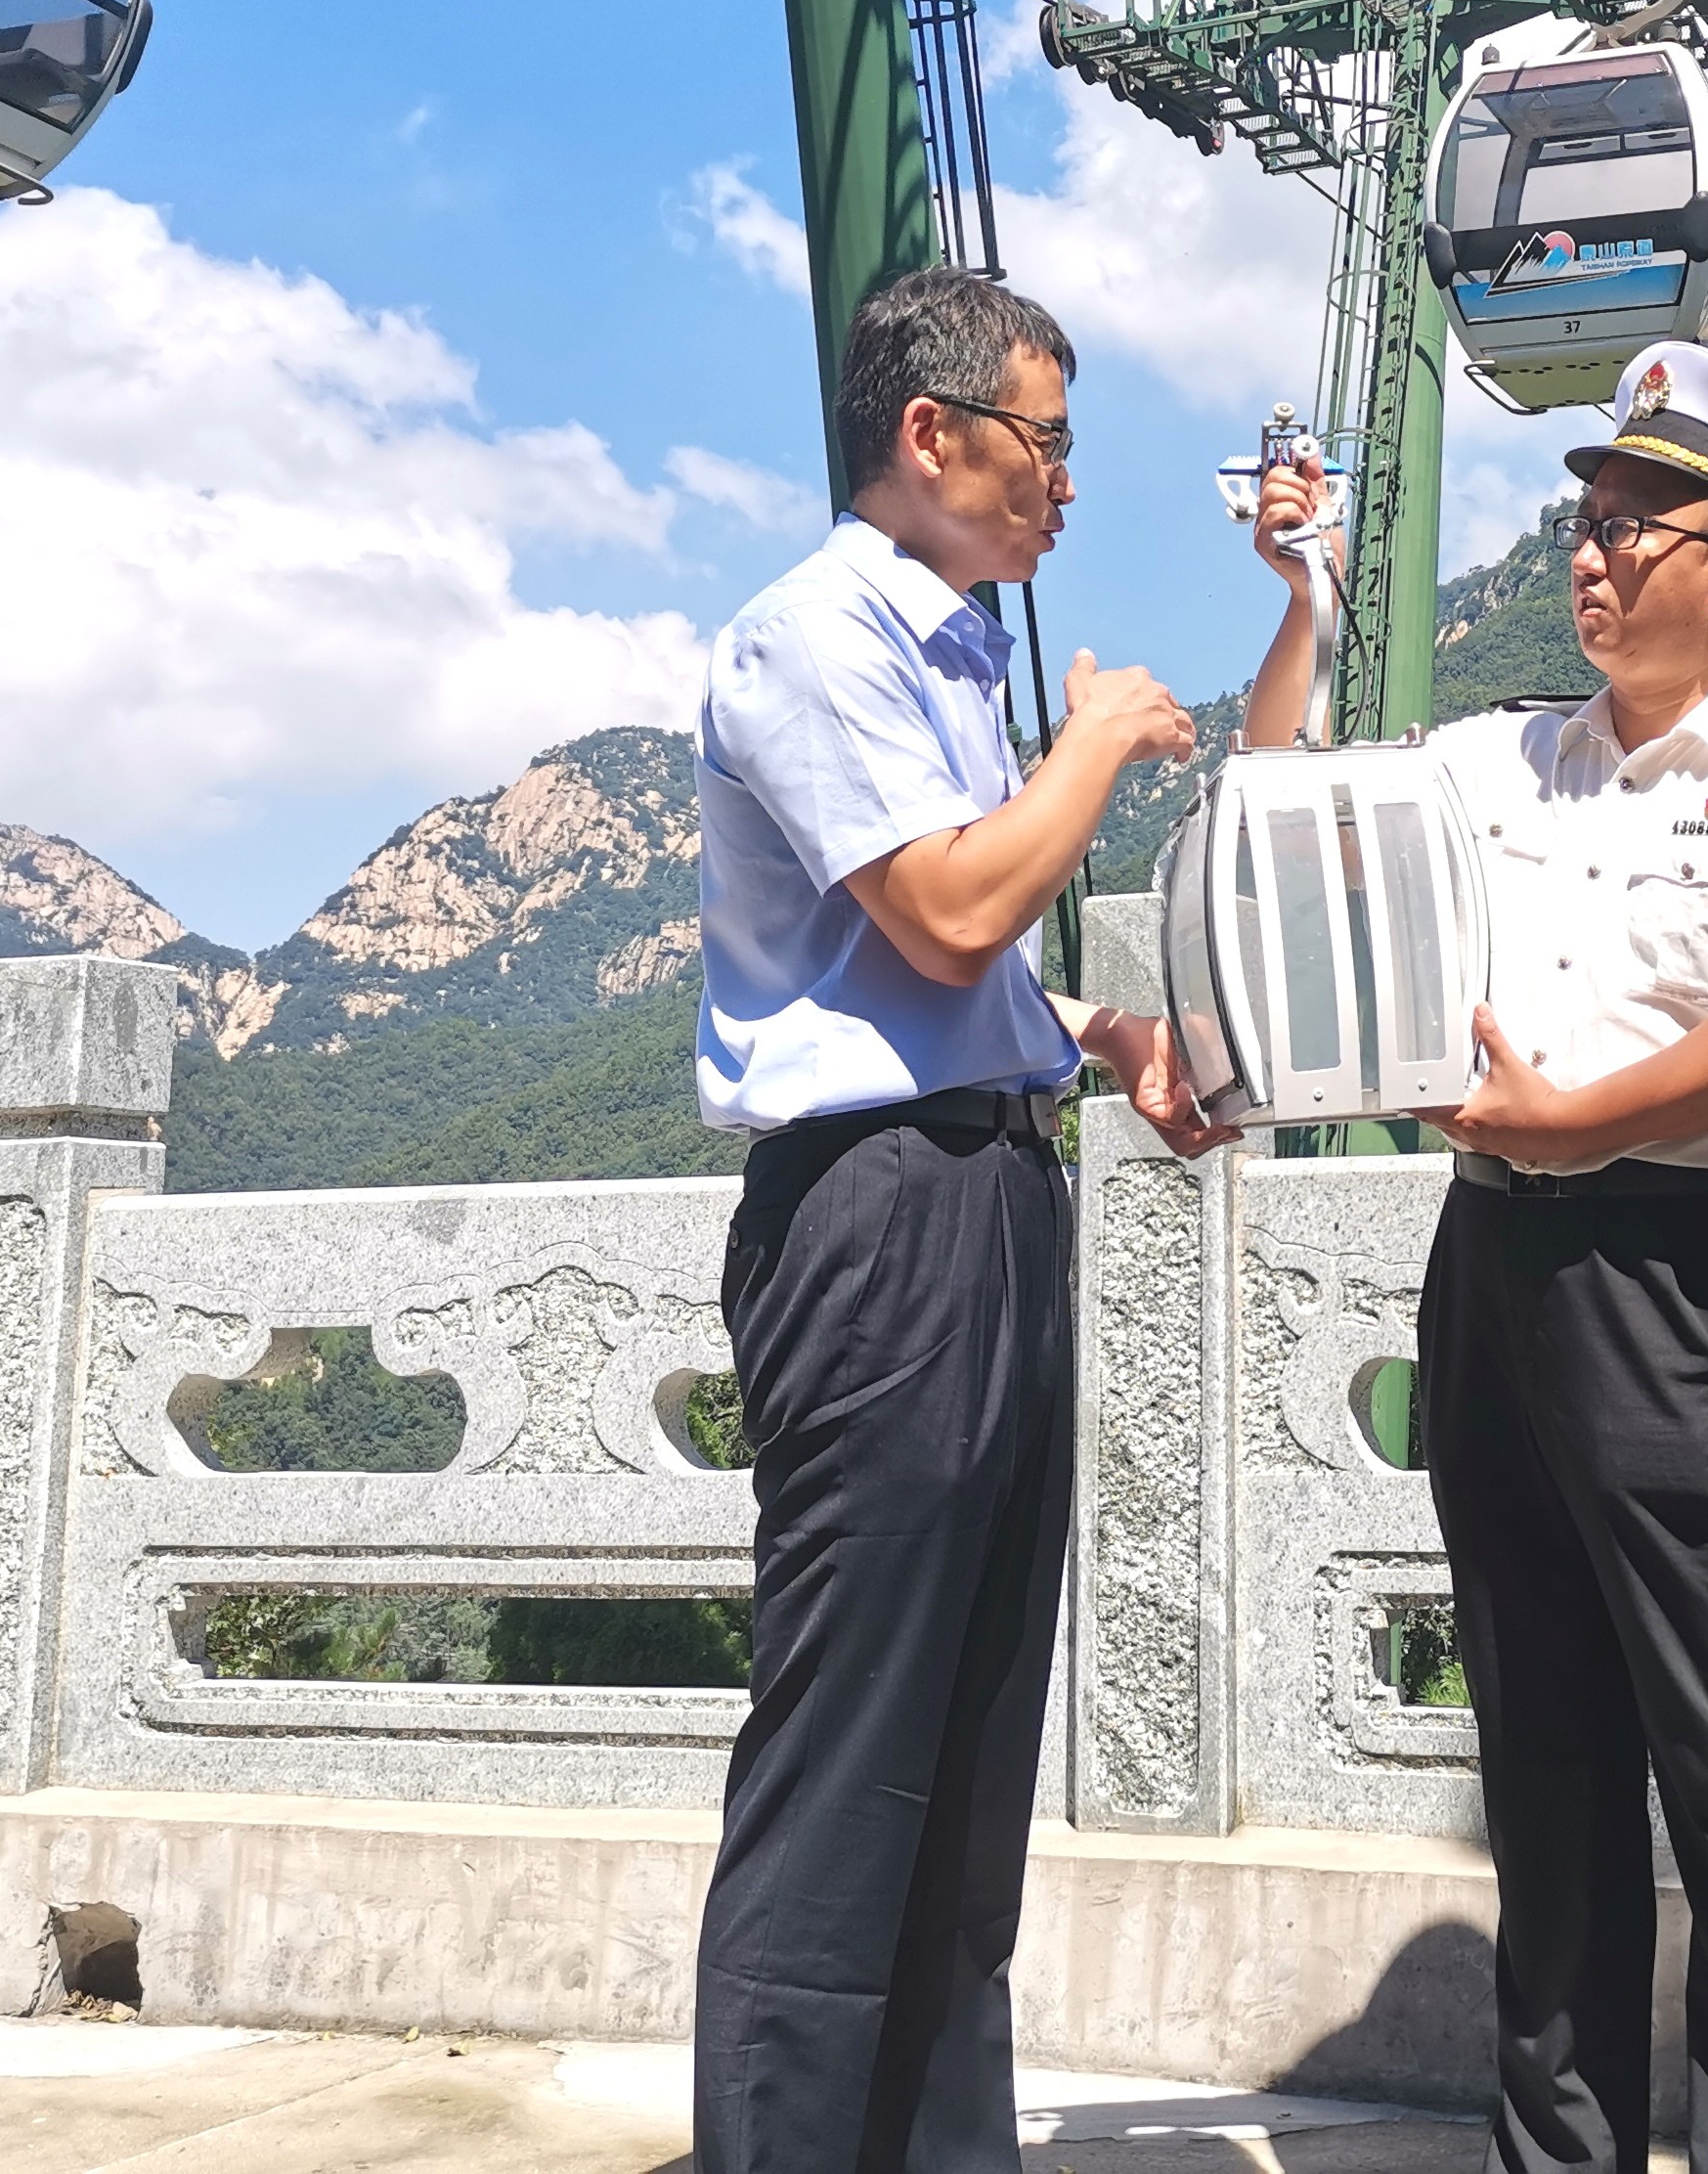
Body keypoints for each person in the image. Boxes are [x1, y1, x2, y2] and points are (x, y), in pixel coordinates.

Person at [1239, 340, 1708, 2174]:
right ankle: (1565, 2154)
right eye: (1585, 524)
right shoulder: (1493, 758)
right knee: (1540, 1757)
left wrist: (1585, 1121)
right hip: (1496, 1277)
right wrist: (1306, 596)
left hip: (1689, 1286)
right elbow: (1283, 792)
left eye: (1638, 525)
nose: (1596, 557)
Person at [690, 266, 1231, 2174]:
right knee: (851, 1771)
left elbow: (936, 978)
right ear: (930, 437)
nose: (1064, 487)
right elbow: (940, 911)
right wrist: (1090, 742)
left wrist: (1103, 1043)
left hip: (988, 1191)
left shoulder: (935, 659)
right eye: (1044, 442)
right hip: (880, 1224)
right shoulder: (812, 635)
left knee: (970, 1754)